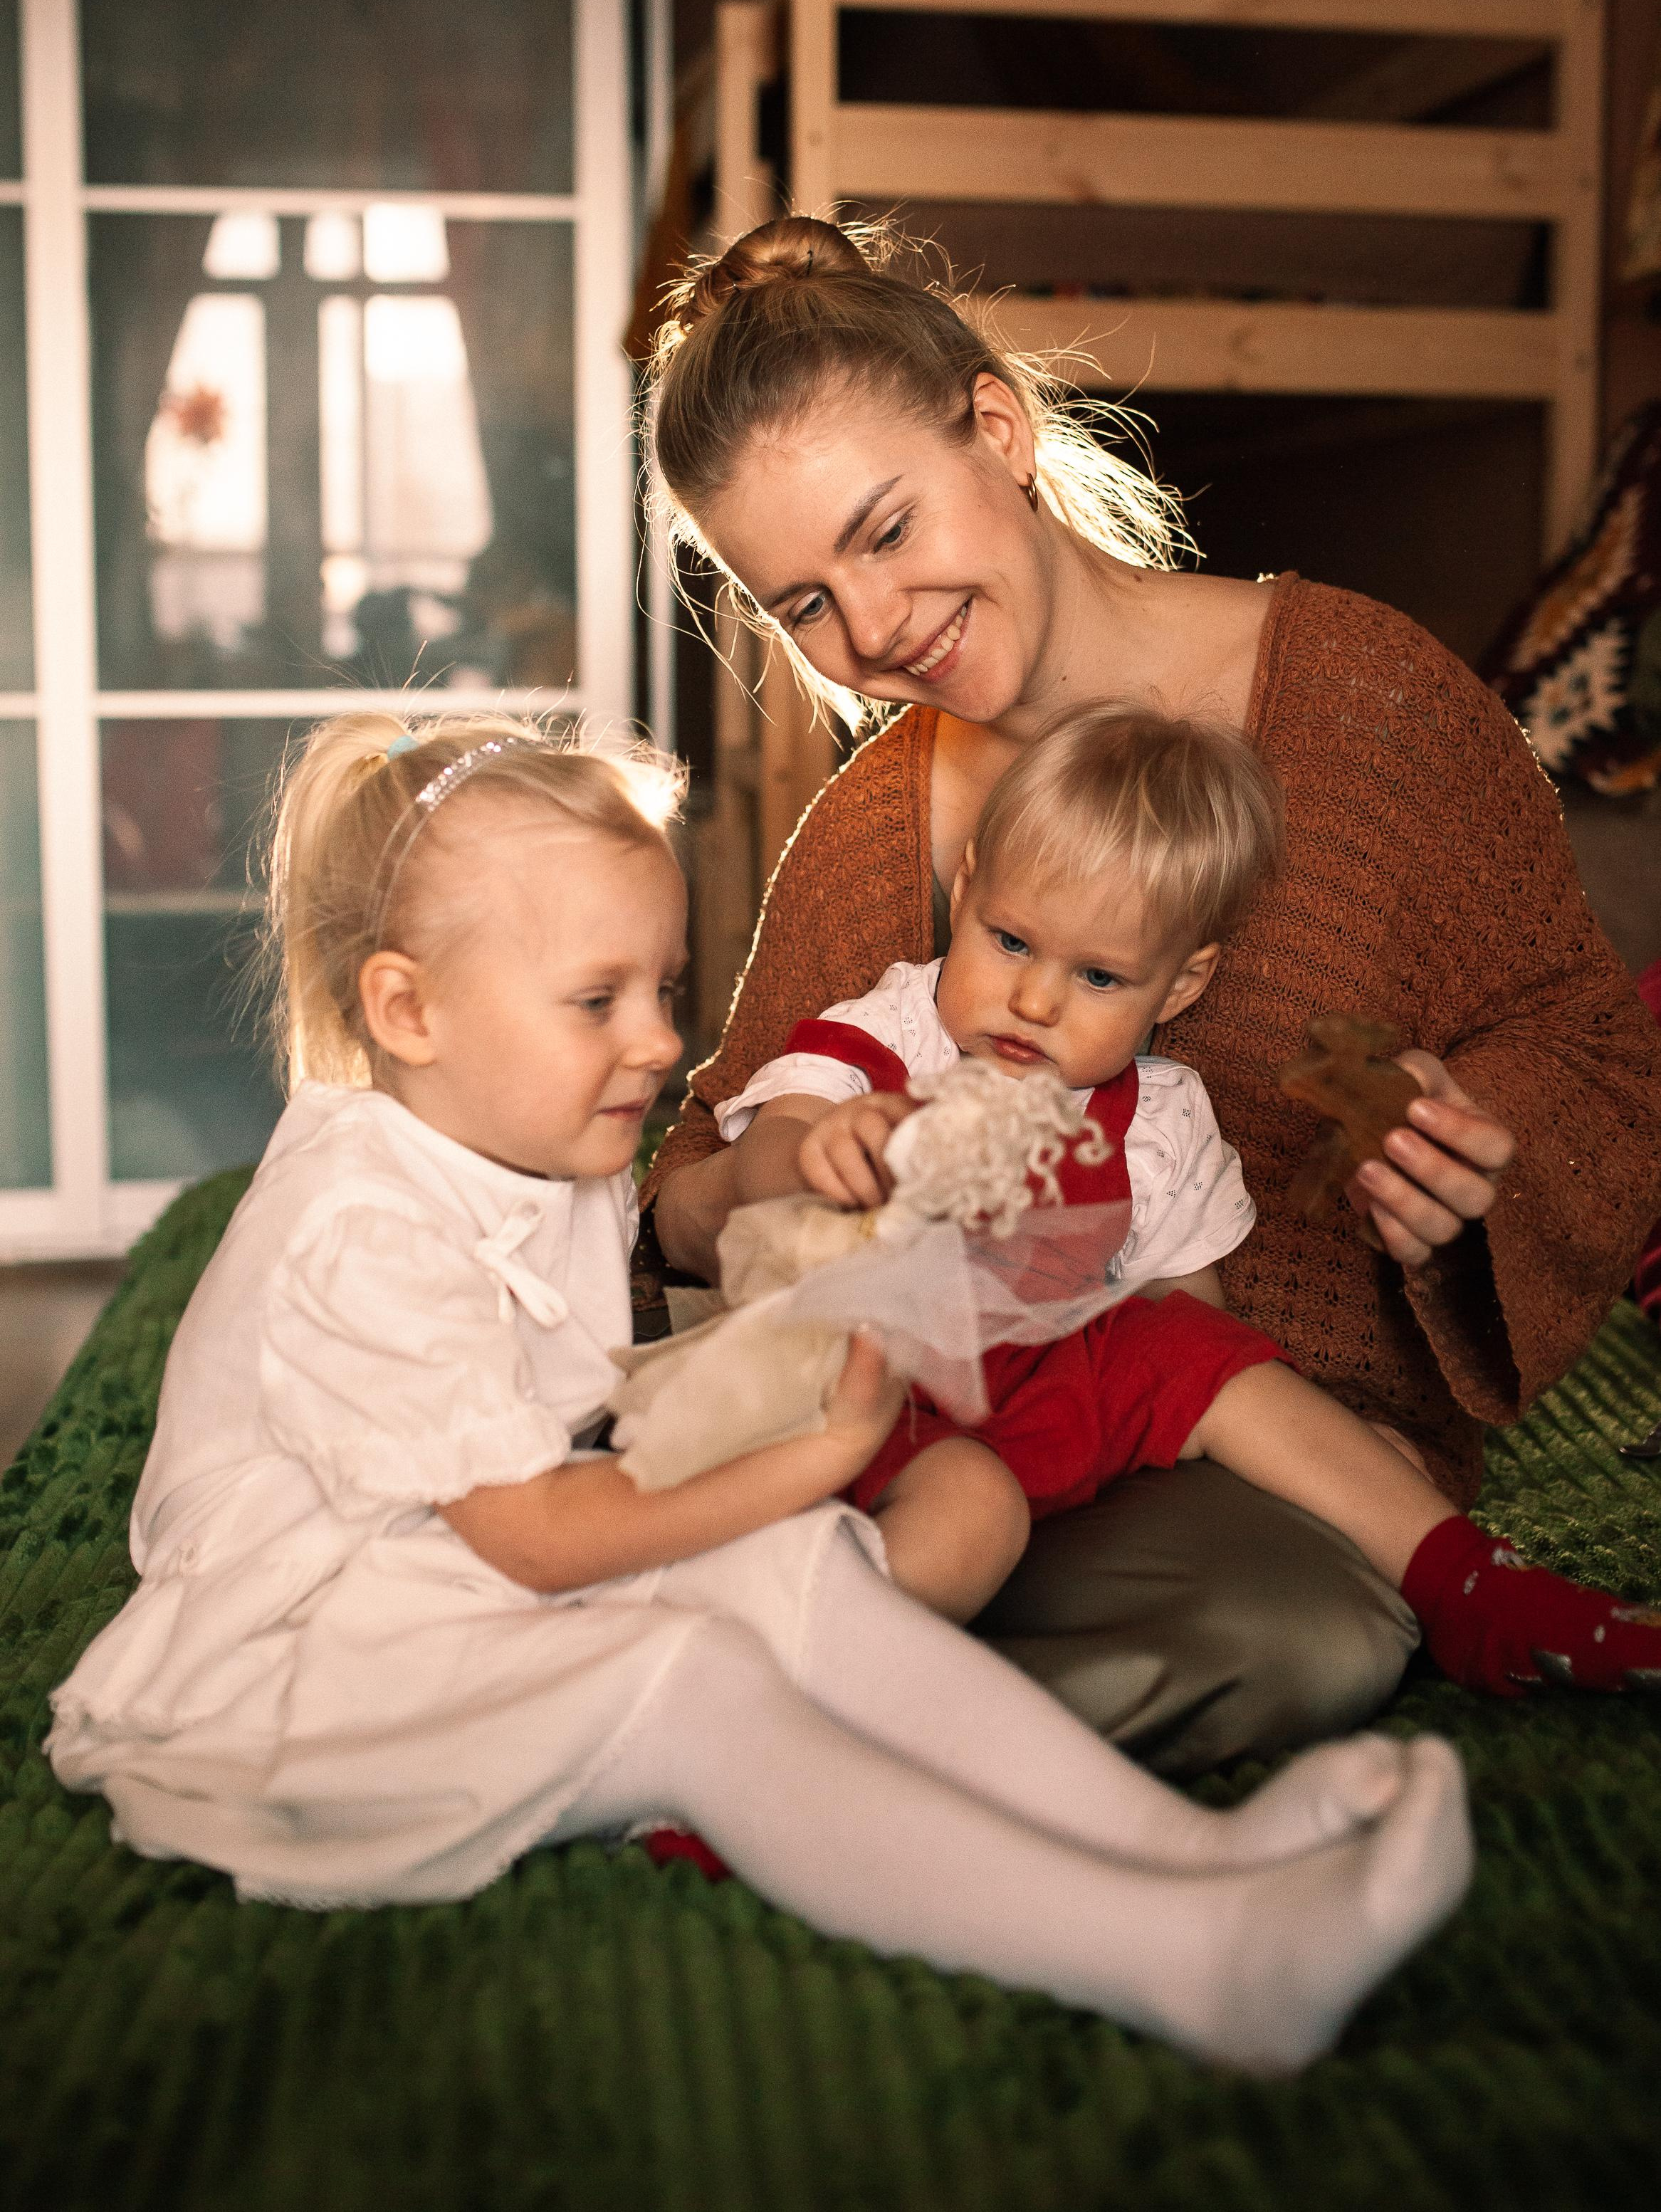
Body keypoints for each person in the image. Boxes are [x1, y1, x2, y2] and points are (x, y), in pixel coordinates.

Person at [45, 713, 1473, 2075]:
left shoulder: (536, 1139)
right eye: (600, 1000)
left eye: (662, 989)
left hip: (445, 1569)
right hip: (309, 1659)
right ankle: (1195, 1960)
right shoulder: (355, 1221)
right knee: (689, 1677)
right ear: (407, 1012)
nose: (665, 1043)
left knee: (800, 1565)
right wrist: (833, 1441)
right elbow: (535, 1533)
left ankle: (1195, 1853)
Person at [644, 215, 1661, 1774]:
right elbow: (699, 1169)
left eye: (889, 529)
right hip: (937, 1433)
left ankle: (769, 1718)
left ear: (998, 425)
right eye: (804, 605)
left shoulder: (1367, 700)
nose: (873, 626)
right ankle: (782, 1694)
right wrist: (748, 1189)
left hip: (1269, 1439)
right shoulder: (872, 831)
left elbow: (1580, 1033)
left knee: (1299, 1634)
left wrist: (1481, 1148)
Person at [716, 701, 1661, 1699]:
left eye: (1097, 976)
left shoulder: (1159, 1118)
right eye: (1008, 942)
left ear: (1178, 985)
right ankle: (780, 1695)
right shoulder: (889, 1032)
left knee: (1207, 1360)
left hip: (1042, 1405)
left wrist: (1297, 1434)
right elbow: (763, 1159)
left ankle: (1469, 1586)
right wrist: (829, 1151)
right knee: (967, 1515)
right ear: (964, 890)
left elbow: (1190, 1334)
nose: (1034, 1002)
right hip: (868, 1387)